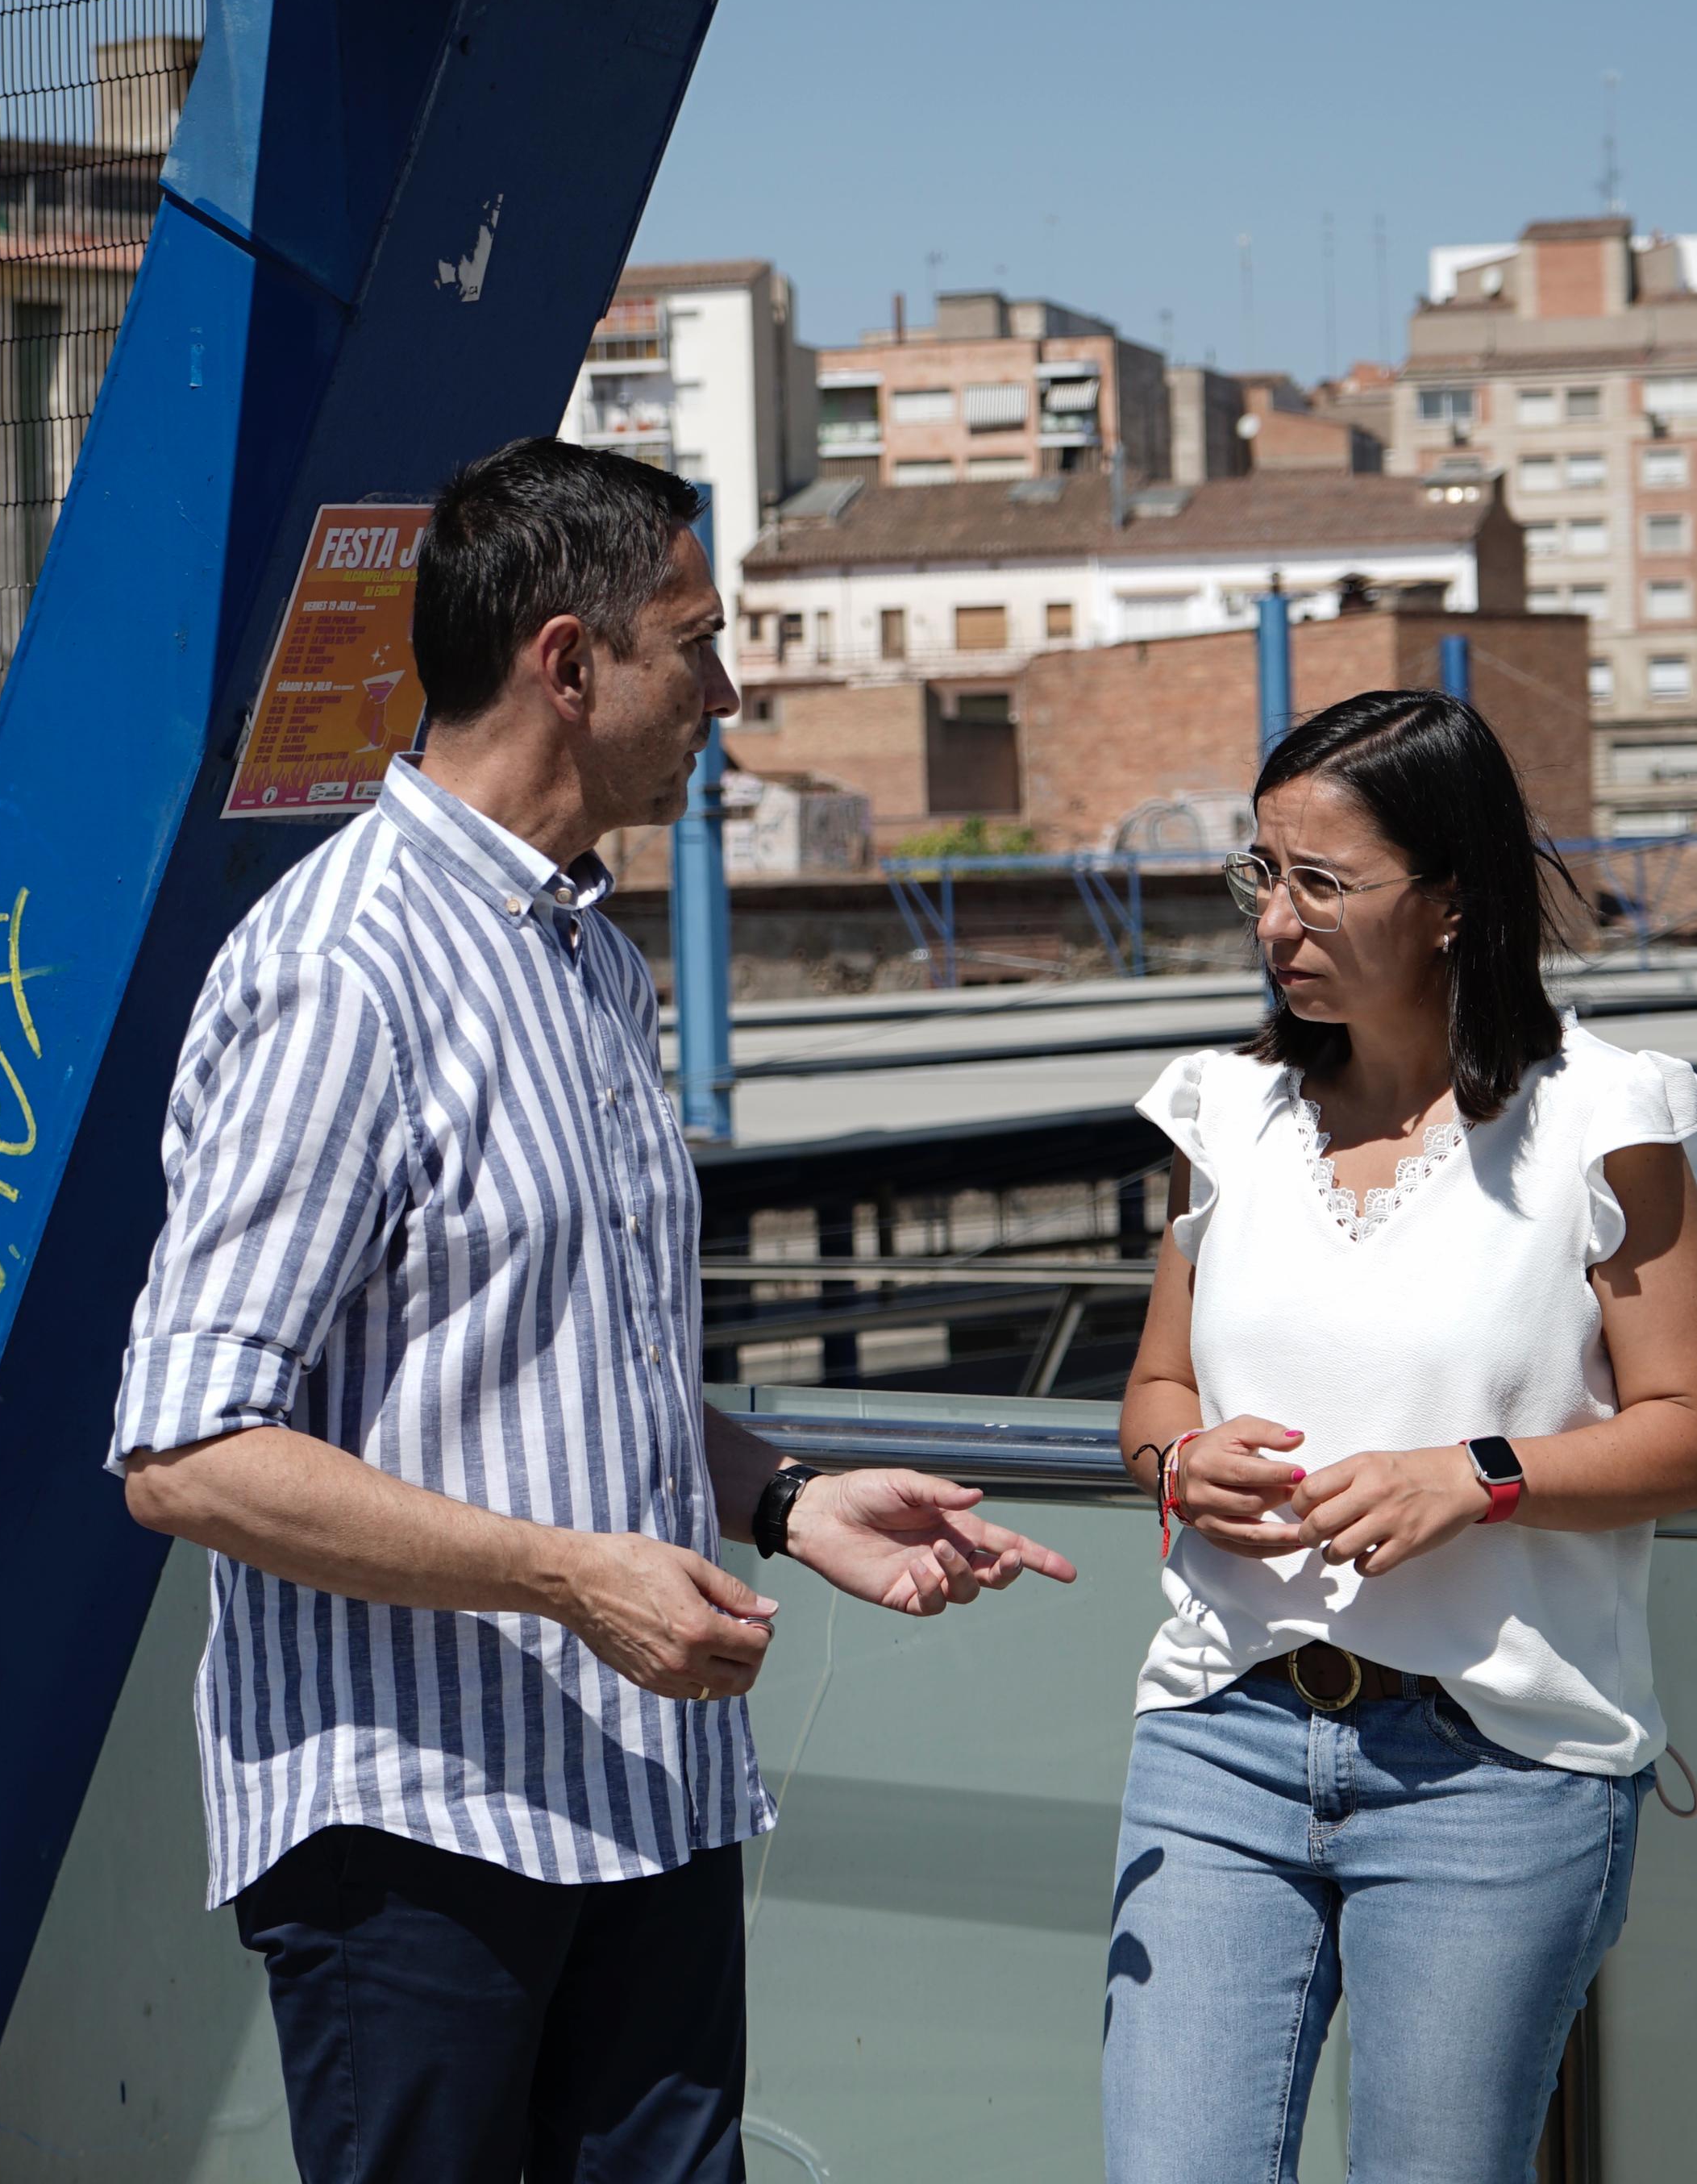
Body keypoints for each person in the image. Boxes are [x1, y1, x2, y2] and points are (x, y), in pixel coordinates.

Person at [112, 437, 1078, 2184]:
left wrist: (778, 1498)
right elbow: (185, 1452)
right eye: (695, 643)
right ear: (570, 665)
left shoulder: (585, 961)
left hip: (640, 1795)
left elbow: (564, 1368)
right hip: (414, 1840)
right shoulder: (347, 970)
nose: (728, 689)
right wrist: (572, 1575)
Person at [1102, 688, 1697, 2182]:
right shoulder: (1231, 1113)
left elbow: (1696, 1434)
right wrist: (1178, 1467)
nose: (1277, 920)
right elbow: (1151, 1395)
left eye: (1323, 883)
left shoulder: (1605, 1118)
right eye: (1262, 874)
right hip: (1219, 1738)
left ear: (1453, 897)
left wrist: (1481, 1478)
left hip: (1495, 1771)